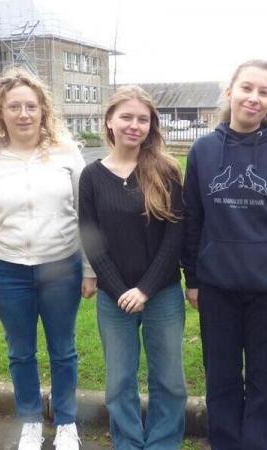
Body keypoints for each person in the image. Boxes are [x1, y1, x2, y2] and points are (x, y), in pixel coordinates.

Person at [181, 60, 267, 450]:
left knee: (265, 379)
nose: (253, 98)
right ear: (230, 92)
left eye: (263, 92)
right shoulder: (204, 151)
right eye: (246, 88)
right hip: (218, 288)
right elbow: (192, 219)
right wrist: (192, 277)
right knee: (221, 378)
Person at [0, 68, 96, 450]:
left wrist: (89, 269)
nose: (23, 114)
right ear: (0, 112)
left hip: (61, 267)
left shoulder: (67, 153)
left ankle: (66, 421)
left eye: (31, 106)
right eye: (14, 107)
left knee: (63, 349)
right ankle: (29, 421)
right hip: (6, 271)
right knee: (20, 351)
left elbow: (86, 215)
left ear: (43, 110)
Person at [79, 86, 187, 449]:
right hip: (114, 298)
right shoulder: (92, 176)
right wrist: (118, 288)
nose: (134, 125)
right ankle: (127, 442)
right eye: (126, 117)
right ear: (109, 121)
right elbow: (90, 238)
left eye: (143, 119)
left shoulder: (165, 170)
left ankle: (162, 442)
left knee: (169, 379)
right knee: (119, 381)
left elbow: (176, 236)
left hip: (162, 294)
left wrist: (145, 289)